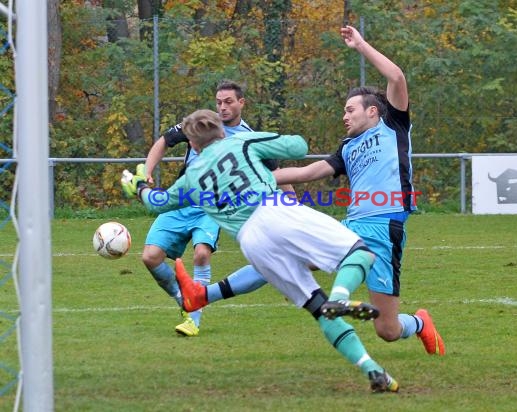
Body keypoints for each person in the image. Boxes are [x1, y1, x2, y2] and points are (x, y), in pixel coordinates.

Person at [161, 25, 446, 358]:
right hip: (354, 225)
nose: (344, 116)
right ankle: (204, 294)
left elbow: (396, 78)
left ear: (372, 110)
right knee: (281, 256)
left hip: (386, 226)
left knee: (388, 330)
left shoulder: (392, 124)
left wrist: (361, 45)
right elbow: (310, 172)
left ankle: (420, 323)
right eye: (343, 111)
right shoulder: (348, 147)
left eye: (349, 109)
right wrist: (259, 180)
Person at [122, 109, 400, 393]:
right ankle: (340, 297)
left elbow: (157, 202)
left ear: (192, 145)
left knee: (317, 307)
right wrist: (264, 143)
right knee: (360, 253)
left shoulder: (192, 176)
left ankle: (373, 370)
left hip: (251, 241)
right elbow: (298, 146)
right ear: (221, 131)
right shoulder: (241, 141)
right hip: (276, 211)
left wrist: (139, 185)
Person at [141, 80, 280, 337]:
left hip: (211, 207)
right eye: (219, 102)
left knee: (201, 254)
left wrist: (286, 203)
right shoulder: (202, 124)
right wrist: (147, 171)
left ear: (241, 103)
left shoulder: (250, 138)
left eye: (228, 102)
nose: (223, 107)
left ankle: (193, 318)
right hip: (180, 201)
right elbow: (164, 140)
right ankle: (183, 297)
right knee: (150, 257)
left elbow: (277, 173)